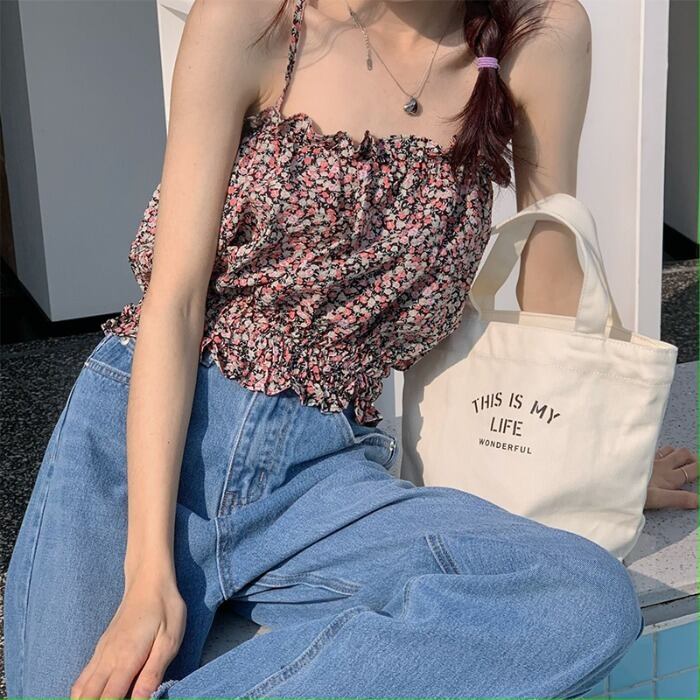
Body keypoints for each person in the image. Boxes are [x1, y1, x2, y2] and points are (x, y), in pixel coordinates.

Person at [4, 0, 695, 698]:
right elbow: (174, 303)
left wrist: (585, 466)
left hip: (319, 478)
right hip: (142, 448)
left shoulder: (532, 37)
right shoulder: (254, 18)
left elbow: (549, 270)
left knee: (582, 599)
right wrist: (147, 570)